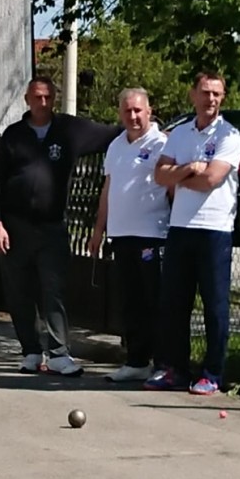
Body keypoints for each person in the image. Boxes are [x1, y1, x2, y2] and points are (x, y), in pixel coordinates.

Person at [0, 76, 121, 376]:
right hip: (14, 227)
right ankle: (31, 352)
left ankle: (59, 354)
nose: (43, 102)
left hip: (52, 226)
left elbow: (111, 134)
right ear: (27, 99)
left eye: (48, 97)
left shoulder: (69, 130)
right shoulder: (13, 135)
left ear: (55, 99)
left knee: (54, 291)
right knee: (19, 292)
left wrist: (147, 129)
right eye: (37, 97)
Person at [145, 72, 240, 395]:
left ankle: (212, 374)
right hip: (181, 227)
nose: (210, 99)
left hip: (214, 229)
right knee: (174, 303)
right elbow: (160, 175)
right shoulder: (180, 134)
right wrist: (189, 168)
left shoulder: (229, 135)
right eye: (205, 92)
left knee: (214, 305)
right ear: (193, 95)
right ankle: (175, 369)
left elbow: (211, 180)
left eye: (216, 93)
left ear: (223, 97)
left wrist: (180, 175)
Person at [86, 88, 170, 383]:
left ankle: (163, 364)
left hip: (152, 234)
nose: (133, 116)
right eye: (127, 111)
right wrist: (98, 230)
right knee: (130, 302)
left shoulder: (162, 144)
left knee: (155, 300)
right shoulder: (116, 146)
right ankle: (136, 361)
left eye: (138, 110)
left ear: (149, 111)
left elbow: (173, 187)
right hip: (121, 234)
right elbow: (108, 189)